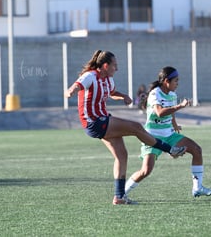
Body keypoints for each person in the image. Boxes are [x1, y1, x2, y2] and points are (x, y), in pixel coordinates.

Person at [65, 50, 186, 205]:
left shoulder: (108, 80)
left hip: (103, 120)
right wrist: (71, 91)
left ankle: (119, 197)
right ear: (106, 65)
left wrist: (123, 96)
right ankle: (170, 149)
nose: (117, 68)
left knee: (122, 156)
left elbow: (112, 92)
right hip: (94, 122)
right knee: (136, 127)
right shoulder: (90, 76)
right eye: (115, 65)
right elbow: (76, 86)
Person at [124, 66, 211, 199]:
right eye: (176, 81)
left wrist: (174, 125)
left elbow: (170, 112)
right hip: (152, 136)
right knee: (145, 171)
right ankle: (122, 193)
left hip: (169, 134)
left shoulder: (172, 95)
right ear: (166, 81)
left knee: (197, 150)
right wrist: (180, 106)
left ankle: (197, 187)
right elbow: (160, 112)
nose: (177, 84)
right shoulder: (155, 93)